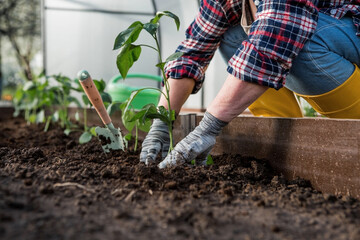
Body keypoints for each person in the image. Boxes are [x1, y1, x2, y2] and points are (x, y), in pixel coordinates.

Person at [140, 0, 360, 168]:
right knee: (234, 34)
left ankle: (352, 131)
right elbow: (193, 50)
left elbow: (280, 29)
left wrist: (208, 128)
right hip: (310, 30)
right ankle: (283, 143)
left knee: (300, 40)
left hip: (349, 25)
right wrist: (160, 124)